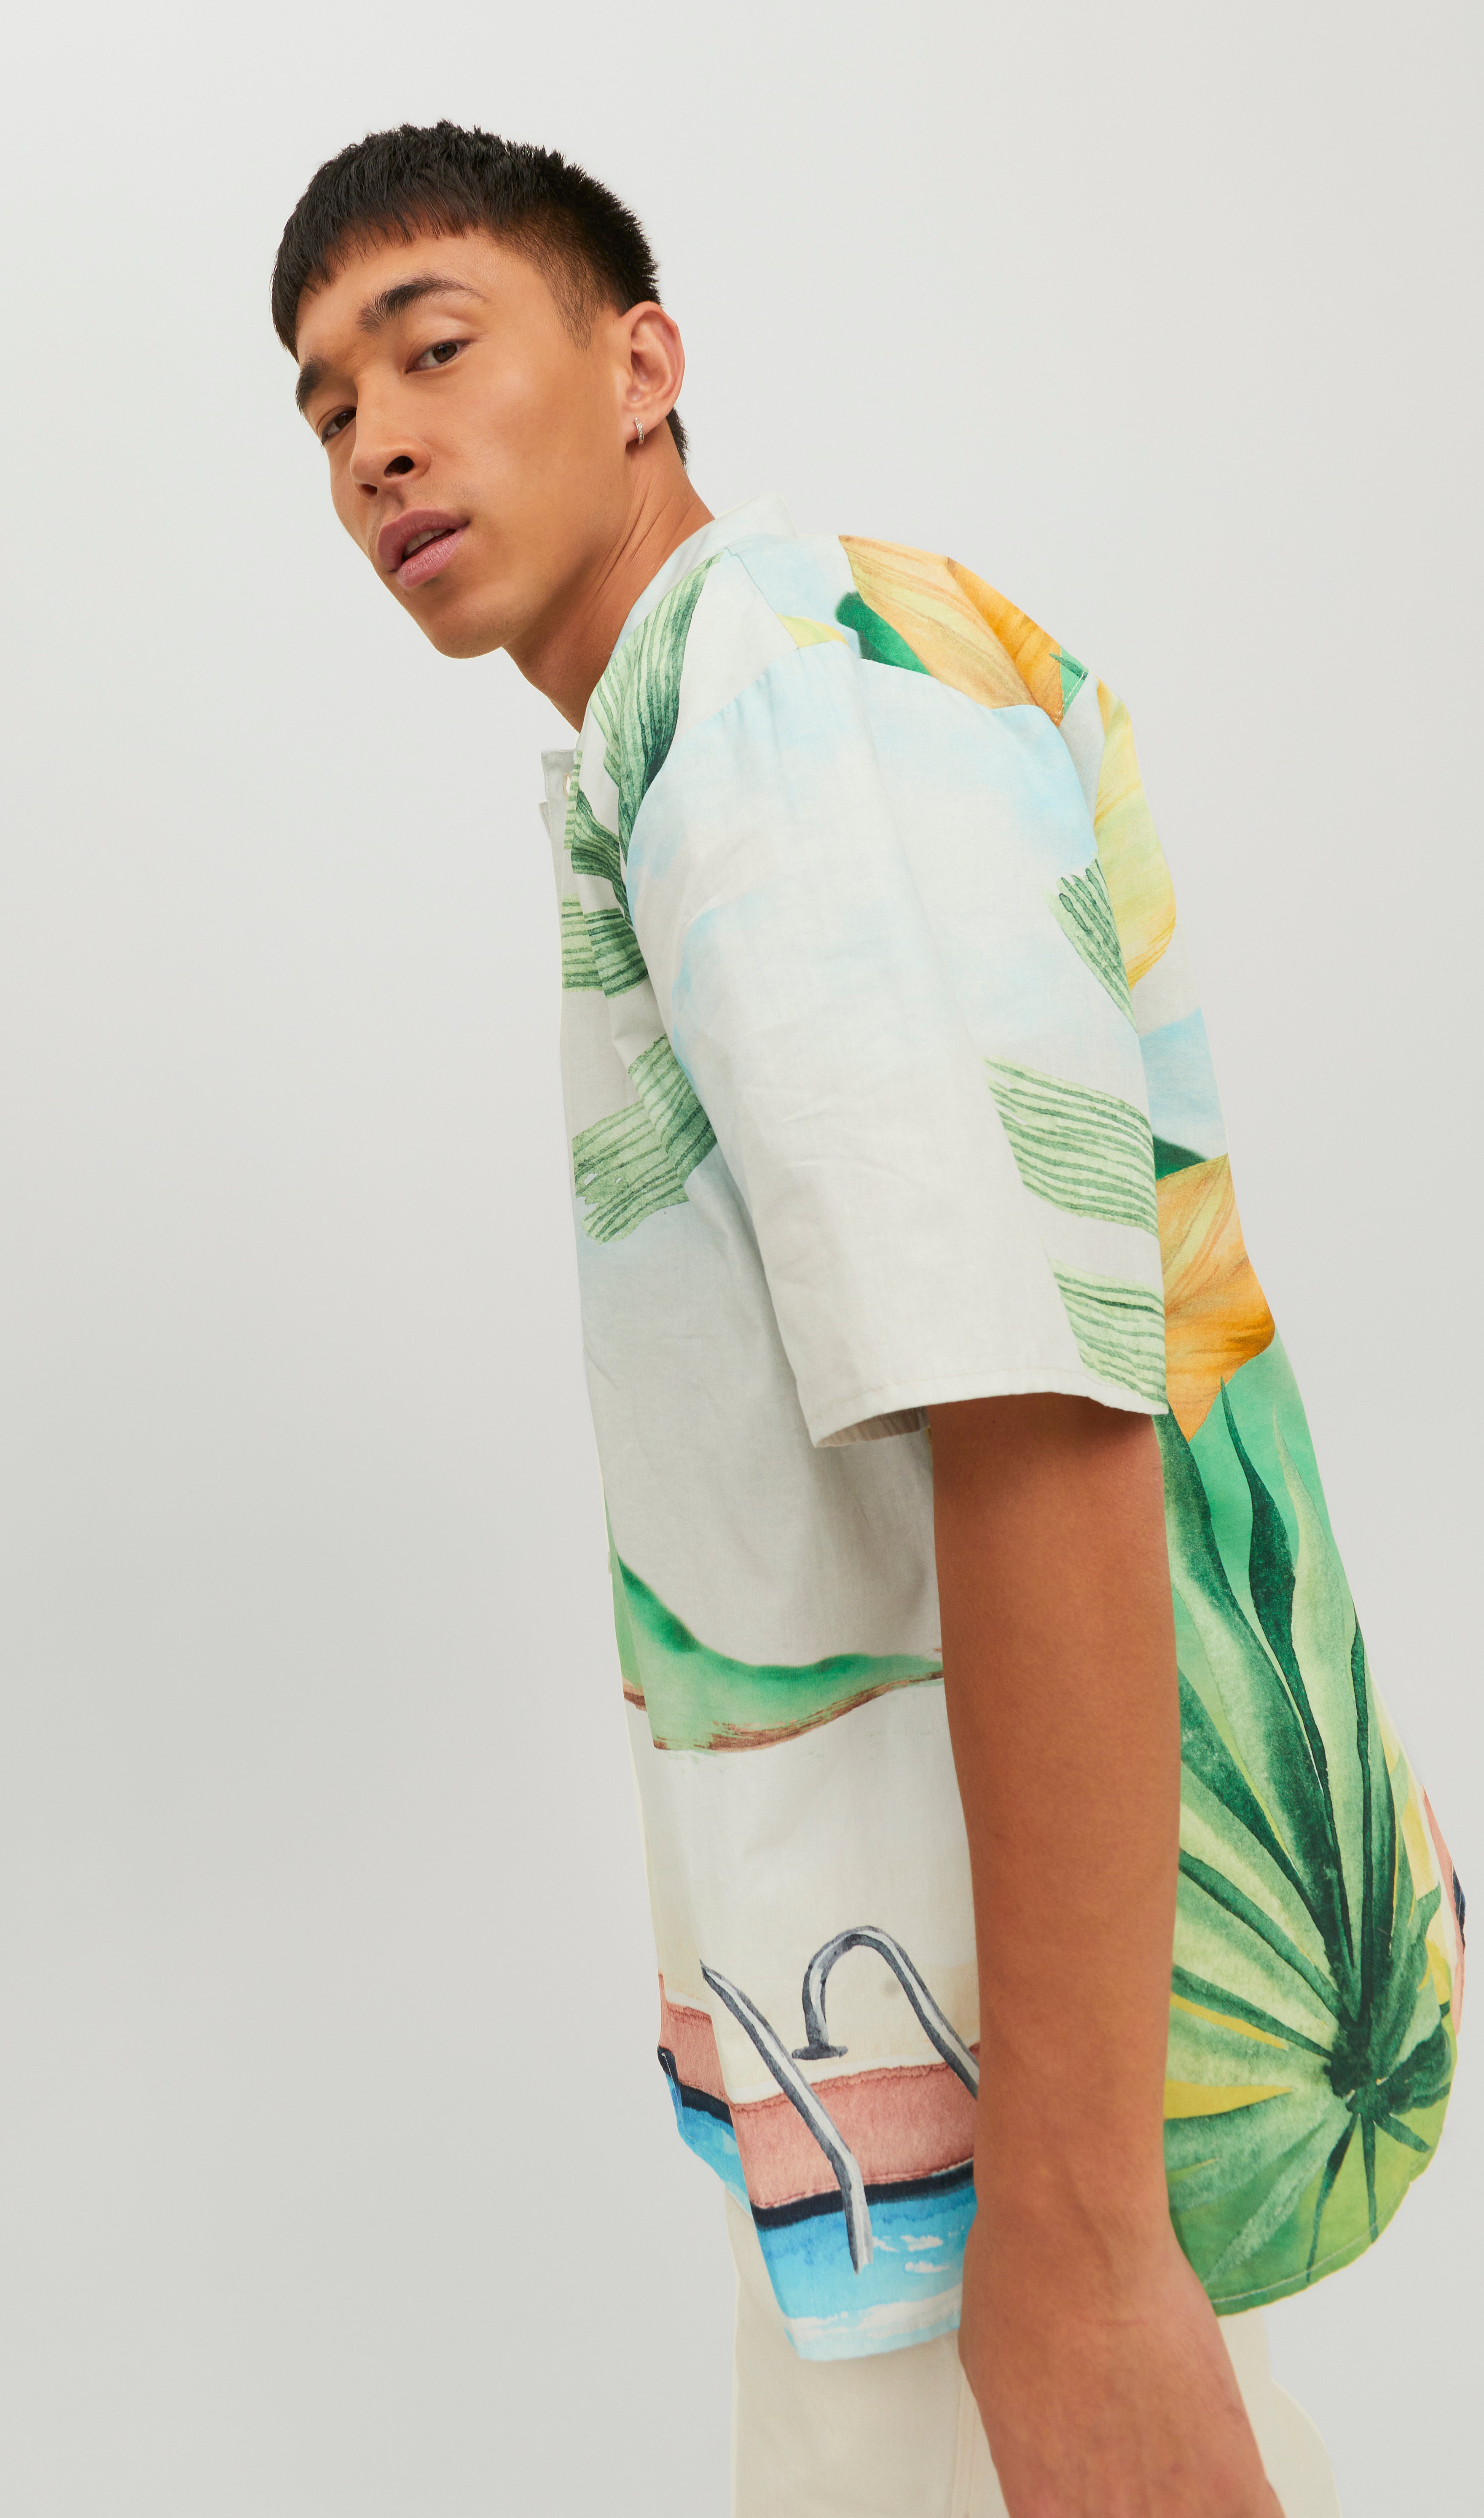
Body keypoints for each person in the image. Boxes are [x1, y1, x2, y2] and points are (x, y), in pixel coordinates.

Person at [270, 123, 1463, 2517]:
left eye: (431, 346)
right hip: (914, 2075)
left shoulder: (779, 705)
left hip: (1000, 2104)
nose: (375, 439)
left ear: (643, 366)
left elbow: (1031, 1404)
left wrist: (1078, 2238)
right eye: (323, 409)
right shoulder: (703, 726)